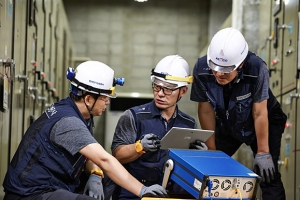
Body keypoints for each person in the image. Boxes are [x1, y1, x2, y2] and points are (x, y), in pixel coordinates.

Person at [2, 61, 167, 200]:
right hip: (30, 193)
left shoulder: (77, 111)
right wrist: (142, 190)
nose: (107, 103)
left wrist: (95, 173)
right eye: (104, 98)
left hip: (51, 183)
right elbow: (105, 160)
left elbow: (86, 154)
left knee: (108, 177)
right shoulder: (69, 122)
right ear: (88, 98)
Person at [190, 27, 287, 200]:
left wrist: (263, 152)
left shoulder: (257, 68)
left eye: (226, 69)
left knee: (267, 175)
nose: (219, 73)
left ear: (240, 64)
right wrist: (212, 150)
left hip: (265, 121)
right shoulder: (201, 68)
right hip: (228, 122)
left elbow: (259, 112)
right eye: (215, 67)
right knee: (212, 169)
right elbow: (205, 109)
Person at [111, 55, 207, 200]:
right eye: (157, 87)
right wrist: (139, 147)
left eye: (168, 89)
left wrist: (200, 157)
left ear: (183, 92)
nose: (160, 94)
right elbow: (117, 156)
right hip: (134, 194)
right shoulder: (133, 116)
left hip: (171, 194)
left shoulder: (188, 124)